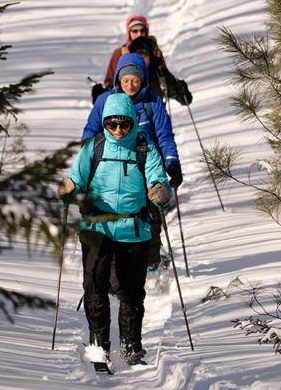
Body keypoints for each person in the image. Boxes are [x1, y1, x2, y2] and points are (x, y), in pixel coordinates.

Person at [58, 92, 171, 369]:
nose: (118, 130)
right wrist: (70, 187)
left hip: (134, 229)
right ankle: (99, 347)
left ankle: (131, 349)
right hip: (97, 226)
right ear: (105, 124)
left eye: (124, 124)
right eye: (112, 124)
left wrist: (159, 190)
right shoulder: (93, 148)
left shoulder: (145, 149)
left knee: (131, 292)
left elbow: (158, 177)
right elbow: (77, 178)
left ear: (133, 122)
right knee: (95, 285)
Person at [83, 51, 182, 268]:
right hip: (111, 168)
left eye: (135, 80)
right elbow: (91, 132)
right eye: (126, 80)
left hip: (147, 167)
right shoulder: (104, 101)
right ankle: (115, 268)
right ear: (118, 78)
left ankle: (151, 262)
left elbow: (165, 135)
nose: (130, 85)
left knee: (151, 215)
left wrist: (172, 163)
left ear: (143, 80)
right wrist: (88, 161)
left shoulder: (152, 102)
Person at [91, 14, 192, 106]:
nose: (139, 34)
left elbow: (165, 81)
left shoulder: (155, 54)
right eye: (135, 31)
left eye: (142, 30)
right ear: (129, 33)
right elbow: (110, 82)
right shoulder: (119, 53)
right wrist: (102, 94)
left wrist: (180, 91)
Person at [127, 34, 192, 106]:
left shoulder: (160, 74)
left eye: (145, 55)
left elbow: (185, 100)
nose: (142, 59)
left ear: (150, 56)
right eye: (138, 56)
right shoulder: (123, 75)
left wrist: (182, 91)